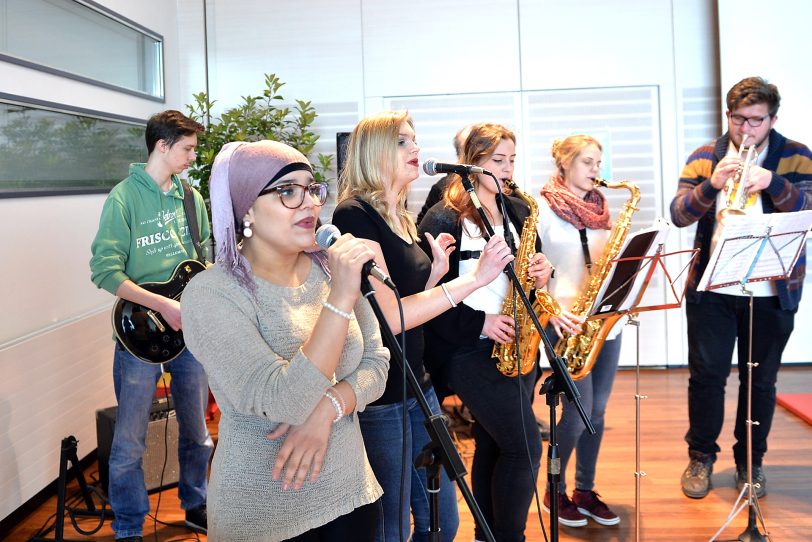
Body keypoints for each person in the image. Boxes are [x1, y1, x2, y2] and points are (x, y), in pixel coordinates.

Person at [180, 140, 391, 541]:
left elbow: (377, 364)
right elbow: (283, 400)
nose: (309, 203)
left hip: (350, 493)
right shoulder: (212, 294)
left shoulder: (330, 271)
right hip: (264, 510)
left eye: (312, 189)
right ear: (246, 209)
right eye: (287, 191)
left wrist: (328, 408)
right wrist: (341, 299)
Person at [332, 111, 514, 542]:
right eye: (402, 142)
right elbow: (388, 317)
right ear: (372, 152)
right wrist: (472, 279)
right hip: (382, 393)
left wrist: (435, 273)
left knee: (443, 522)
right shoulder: (354, 215)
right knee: (392, 526)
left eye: (414, 140)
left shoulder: (400, 213)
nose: (416, 149)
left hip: (419, 382)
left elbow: (406, 299)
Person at [670, 76, 812, 499]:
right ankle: (701, 456)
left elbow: (809, 207)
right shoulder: (704, 157)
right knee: (707, 377)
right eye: (738, 120)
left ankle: (751, 462)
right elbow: (679, 214)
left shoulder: (797, 155)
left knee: (761, 381)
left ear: (772, 119)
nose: (746, 130)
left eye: (755, 121)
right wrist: (711, 185)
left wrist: (773, 184)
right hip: (712, 290)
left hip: (773, 291)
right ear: (727, 116)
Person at [418, 122, 551, 542]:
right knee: (526, 446)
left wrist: (545, 272)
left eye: (511, 159)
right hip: (466, 347)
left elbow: (535, 262)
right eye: (497, 161)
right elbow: (428, 296)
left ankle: (486, 534)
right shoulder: (445, 215)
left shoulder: (518, 209)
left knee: (495, 442)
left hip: (516, 341)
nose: (507, 169)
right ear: (471, 164)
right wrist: (483, 323)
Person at [89, 110, 214, 542]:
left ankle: (196, 505)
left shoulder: (191, 199)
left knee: (198, 434)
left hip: (190, 334)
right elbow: (105, 272)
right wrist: (161, 304)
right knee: (129, 443)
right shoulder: (123, 198)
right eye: (187, 149)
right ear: (162, 146)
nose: (192, 157)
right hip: (138, 335)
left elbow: (203, 261)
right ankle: (128, 526)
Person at [536, 134, 623, 527]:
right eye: (588, 162)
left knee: (599, 410)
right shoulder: (540, 209)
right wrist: (551, 310)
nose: (596, 171)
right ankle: (554, 489)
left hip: (602, 324)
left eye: (599, 163)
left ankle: (584, 490)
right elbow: (531, 271)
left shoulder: (602, 208)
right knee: (577, 414)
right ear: (565, 163)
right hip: (565, 324)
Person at [415, 124, 472, 225]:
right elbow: (422, 229)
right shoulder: (441, 188)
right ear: (460, 155)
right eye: (469, 147)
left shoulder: (498, 184)